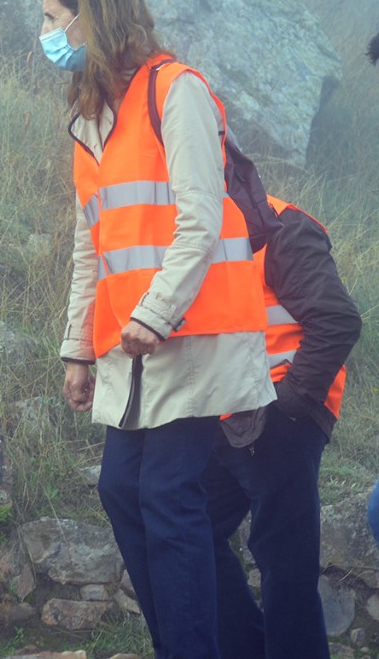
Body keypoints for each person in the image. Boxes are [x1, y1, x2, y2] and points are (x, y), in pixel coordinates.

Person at [47, 0, 276, 658]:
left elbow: (199, 220)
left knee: (168, 496)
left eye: (54, 19)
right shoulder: (89, 120)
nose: (47, 33)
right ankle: (225, 644)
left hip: (195, 336)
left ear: (90, 15)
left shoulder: (175, 91)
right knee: (123, 490)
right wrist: (78, 347)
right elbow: (93, 247)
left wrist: (154, 312)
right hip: (132, 348)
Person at [202, 194, 360, 659]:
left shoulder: (281, 224)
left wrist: (286, 404)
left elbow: (336, 319)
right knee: (191, 532)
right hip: (223, 414)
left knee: (284, 563)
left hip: (281, 411)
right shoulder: (193, 224)